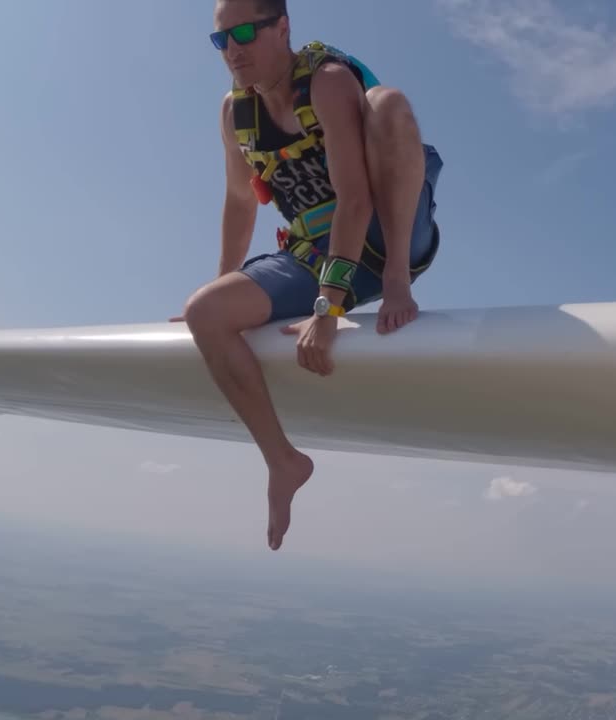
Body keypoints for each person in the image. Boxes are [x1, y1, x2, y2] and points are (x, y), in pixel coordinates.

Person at [174, 0, 444, 552]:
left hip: (384, 236)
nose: (233, 49)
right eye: (220, 39)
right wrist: (221, 283)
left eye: (245, 33)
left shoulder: (325, 82)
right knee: (207, 312)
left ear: (283, 29)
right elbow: (238, 201)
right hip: (312, 252)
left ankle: (398, 280)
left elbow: (355, 199)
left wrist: (329, 309)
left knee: (388, 102)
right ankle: (283, 461)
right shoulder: (235, 112)